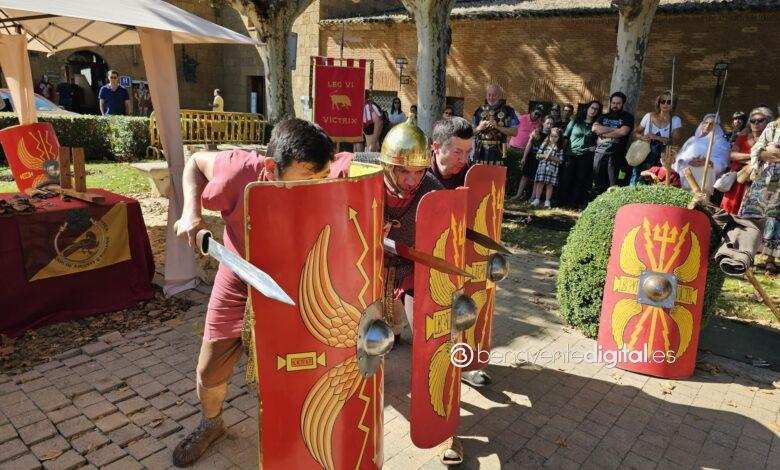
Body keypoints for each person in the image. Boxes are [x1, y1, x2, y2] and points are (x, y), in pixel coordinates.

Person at [170, 118, 335, 467]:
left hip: (294, 282)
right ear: (272, 168)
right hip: (238, 275)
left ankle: (303, 428)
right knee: (210, 367)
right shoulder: (238, 170)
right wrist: (191, 212)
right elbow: (195, 162)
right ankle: (211, 424)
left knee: (302, 363)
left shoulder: (327, 176)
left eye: (321, 177)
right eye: (307, 177)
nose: (316, 187)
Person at [381, 119, 443, 341]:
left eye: (419, 172)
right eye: (404, 171)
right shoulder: (365, 177)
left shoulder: (432, 189)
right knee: (375, 337)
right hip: (370, 264)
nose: (412, 180)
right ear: (389, 166)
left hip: (408, 263)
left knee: (408, 336)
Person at [738, 115, 780, 273]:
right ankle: (748, 254)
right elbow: (757, 149)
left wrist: (774, 153)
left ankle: (770, 258)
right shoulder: (773, 126)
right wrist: (765, 154)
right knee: (754, 216)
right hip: (764, 177)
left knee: (775, 218)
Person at [722, 107, 773, 214]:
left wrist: (747, 159)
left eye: (760, 120)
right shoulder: (743, 137)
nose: (756, 123)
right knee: (729, 211)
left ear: (768, 122)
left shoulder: (771, 140)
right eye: (753, 120)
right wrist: (754, 156)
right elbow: (732, 155)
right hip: (738, 178)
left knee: (749, 213)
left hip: (758, 182)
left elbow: (771, 157)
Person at [630, 91, 683, 184]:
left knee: (655, 181)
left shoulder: (675, 120)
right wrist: (642, 137)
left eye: (669, 102)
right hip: (644, 152)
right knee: (638, 177)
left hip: (661, 157)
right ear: (658, 103)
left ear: (673, 105)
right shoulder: (649, 116)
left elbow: (675, 141)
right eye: (663, 101)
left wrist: (657, 138)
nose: (665, 104)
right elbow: (635, 133)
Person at [673, 114, 730, 196]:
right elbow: (680, 156)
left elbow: (722, 160)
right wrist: (689, 161)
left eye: (711, 124)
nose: (707, 126)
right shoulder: (692, 140)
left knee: (700, 195)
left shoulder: (720, 142)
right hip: (686, 172)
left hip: (704, 175)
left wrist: (707, 162)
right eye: (706, 123)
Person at [559, 100, 601, 208]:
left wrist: (594, 147)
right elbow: (565, 136)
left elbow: (599, 140)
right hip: (571, 154)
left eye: (596, 109)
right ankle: (561, 201)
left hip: (585, 156)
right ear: (587, 108)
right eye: (592, 108)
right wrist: (562, 152)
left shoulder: (596, 125)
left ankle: (572, 203)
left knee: (579, 179)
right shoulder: (575, 120)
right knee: (566, 177)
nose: (593, 111)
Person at [592, 91, 635, 195]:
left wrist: (604, 133)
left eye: (618, 103)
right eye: (613, 103)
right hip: (600, 153)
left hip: (616, 155)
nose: (615, 105)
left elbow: (623, 132)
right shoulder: (603, 116)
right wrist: (615, 130)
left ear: (622, 104)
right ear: (610, 103)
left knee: (613, 185)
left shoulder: (627, 117)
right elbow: (594, 128)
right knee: (598, 182)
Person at [471, 84, 518, 165]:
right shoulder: (479, 111)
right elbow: (470, 132)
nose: (491, 97)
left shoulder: (508, 110)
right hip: (480, 151)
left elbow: (514, 132)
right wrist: (479, 127)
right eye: (489, 95)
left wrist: (498, 127)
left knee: (496, 172)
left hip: (499, 151)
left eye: (494, 95)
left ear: (499, 96)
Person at [511, 115, 554, 201]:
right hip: (531, 156)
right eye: (547, 123)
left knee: (536, 179)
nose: (549, 125)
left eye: (551, 124)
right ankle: (518, 195)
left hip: (541, 160)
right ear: (543, 123)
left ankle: (533, 198)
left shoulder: (551, 137)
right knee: (525, 176)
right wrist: (524, 157)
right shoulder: (536, 132)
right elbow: (529, 145)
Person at [506, 104, 544, 196]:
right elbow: (511, 130)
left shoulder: (539, 124)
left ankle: (515, 193)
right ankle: (506, 191)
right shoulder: (521, 118)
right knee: (509, 171)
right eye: (536, 113)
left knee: (519, 173)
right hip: (513, 148)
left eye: (539, 115)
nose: (536, 116)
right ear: (531, 111)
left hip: (524, 151)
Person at [428, 116, 473, 189]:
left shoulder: (471, 175)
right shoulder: (419, 175)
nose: (463, 160)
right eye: (457, 152)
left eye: (468, 152)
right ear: (436, 147)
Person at [531, 127, 565, 208]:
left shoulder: (559, 148)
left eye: (556, 137)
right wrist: (544, 155)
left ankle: (547, 202)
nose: (553, 138)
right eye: (552, 136)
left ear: (559, 138)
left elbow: (560, 160)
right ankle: (536, 200)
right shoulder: (545, 144)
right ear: (549, 136)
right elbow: (538, 155)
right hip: (542, 168)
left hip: (552, 170)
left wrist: (551, 158)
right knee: (540, 183)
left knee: (549, 185)